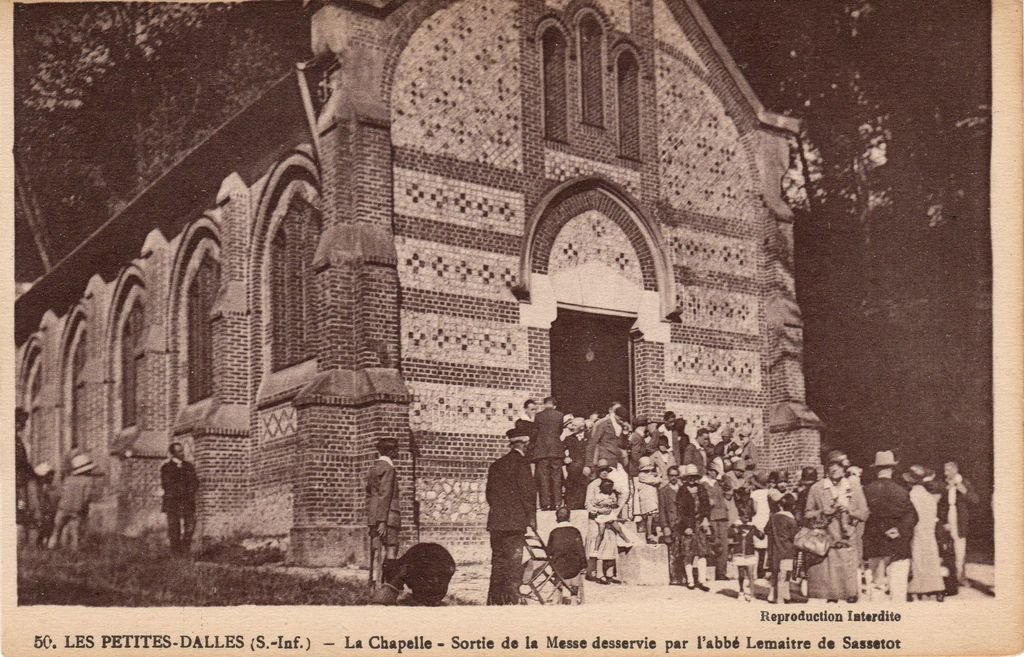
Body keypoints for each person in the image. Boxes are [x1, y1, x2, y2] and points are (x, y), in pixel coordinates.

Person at [804, 458, 868, 602]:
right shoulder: (817, 488)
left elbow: (864, 513)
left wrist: (849, 510)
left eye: (838, 466)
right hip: (827, 546)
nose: (834, 469)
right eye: (831, 465)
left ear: (844, 468)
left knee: (849, 593)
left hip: (848, 544)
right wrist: (824, 512)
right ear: (826, 469)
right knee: (832, 594)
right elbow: (807, 514)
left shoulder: (853, 488)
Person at [486, 427, 537, 605]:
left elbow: (489, 495)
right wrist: (531, 519)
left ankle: (495, 600)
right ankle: (511, 599)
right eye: (529, 444)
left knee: (498, 562)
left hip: (496, 523)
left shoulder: (496, 465)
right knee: (513, 563)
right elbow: (528, 494)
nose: (531, 448)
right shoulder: (522, 464)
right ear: (523, 444)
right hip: (515, 523)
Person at [863, 450, 916, 603]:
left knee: (876, 586)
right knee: (898, 588)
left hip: (875, 544)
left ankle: (879, 622)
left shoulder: (866, 490)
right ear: (892, 470)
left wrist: (881, 531)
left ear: (876, 470)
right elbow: (912, 516)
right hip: (898, 545)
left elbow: (865, 516)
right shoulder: (902, 491)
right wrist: (898, 530)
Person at [903, 465, 945, 600]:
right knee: (931, 558)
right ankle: (936, 587)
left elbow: (910, 517)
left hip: (917, 531)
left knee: (918, 559)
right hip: (929, 531)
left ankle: (918, 587)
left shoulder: (911, 496)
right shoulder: (929, 496)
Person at [371, 543, 457, 606]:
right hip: (444, 567)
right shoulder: (412, 559)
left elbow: (397, 580)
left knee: (420, 591)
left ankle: (429, 600)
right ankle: (431, 600)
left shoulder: (407, 566)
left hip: (440, 569)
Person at [584, 459, 626, 584]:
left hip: (609, 518)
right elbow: (587, 503)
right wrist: (598, 511)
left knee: (611, 544)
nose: (604, 473)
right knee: (599, 545)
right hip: (596, 520)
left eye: (606, 471)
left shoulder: (612, 484)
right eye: (601, 471)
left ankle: (609, 573)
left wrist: (616, 510)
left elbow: (623, 494)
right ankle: (597, 573)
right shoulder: (593, 485)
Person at [366, 437, 401, 587]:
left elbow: (370, 493)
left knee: (375, 549)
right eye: (396, 449)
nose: (398, 452)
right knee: (391, 547)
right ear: (391, 451)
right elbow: (385, 494)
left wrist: (375, 518)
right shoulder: (389, 469)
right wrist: (382, 521)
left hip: (373, 515)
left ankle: (373, 584)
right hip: (388, 516)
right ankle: (387, 585)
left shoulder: (373, 468)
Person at [49, 453, 100, 551]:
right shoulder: (88, 481)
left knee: (57, 530)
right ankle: (74, 551)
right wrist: (84, 506)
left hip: (63, 508)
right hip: (77, 509)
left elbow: (61, 493)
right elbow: (87, 497)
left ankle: (51, 548)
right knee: (75, 532)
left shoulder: (68, 479)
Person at [938, 460, 978, 584]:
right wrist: (944, 521)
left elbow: (975, 500)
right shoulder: (945, 484)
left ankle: (961, 576)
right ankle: (951, 578)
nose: (945, 473)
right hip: (948, 519)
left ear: (955, 470)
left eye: (948, 470)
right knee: (948, 549)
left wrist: (961, 488)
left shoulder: (964, 483)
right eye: (945, 470)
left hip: (960, 521)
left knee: (960, 549)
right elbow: (941, 505)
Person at [161, 442, 199, 556]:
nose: (183, 453)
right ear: (173, 454)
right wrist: (182, 490)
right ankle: (176, 553)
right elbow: (167, 485)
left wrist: (189, 491)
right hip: (173, 502)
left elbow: (195, 482)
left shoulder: (189, 466)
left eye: (182, 450)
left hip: (187, 501)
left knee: (190, 525)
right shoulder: (166, 468)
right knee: (174, 528)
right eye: (179, 451)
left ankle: (185, 549)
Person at [676, 464, 711, 591]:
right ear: (686, 478)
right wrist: (685, 526)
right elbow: (680, 511)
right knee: (688, 553)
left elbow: (706, 505)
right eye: (689, 477)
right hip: (688, 525)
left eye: (694, 477)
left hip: (700, 524)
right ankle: (690, 580)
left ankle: (702, 580)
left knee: (702, 553)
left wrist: (706, 518)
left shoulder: (701, 489)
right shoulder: (682, 491)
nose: (692, 480)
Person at [547, 506, 587, 603]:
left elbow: (549, 551)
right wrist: (584, 565)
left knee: (560, 563)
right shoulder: (575, 531)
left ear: (557, 519)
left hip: (558, 568)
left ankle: (557, 598)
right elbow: (580, 550)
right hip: (574, 567)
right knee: (575, 565)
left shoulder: (554, 532)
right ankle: (574, 597)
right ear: (569, 518)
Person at [533, 397, 566, 510]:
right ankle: (557, 503)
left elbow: (536, 432)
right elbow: (560, 431)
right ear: (554, 405)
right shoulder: (560, 415)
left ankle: (545, 504)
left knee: (543, 477)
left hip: (542, 451)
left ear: (544, 404)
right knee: (556, 477)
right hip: (556, 450)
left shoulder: (538, 416)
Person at [768, 494, 799, 603]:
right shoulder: (792, 520)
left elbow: (767, 530)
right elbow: (794, 536)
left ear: (780, 506)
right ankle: (783, 597)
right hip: (787, 551)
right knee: (785, 575)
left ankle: (772, 595)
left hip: (774, 550)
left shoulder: (773, 518)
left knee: (775, 573)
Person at [703, 461, 731, 580]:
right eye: (713, 471)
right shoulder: (703, 484)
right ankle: (708, 571)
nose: (714, 474)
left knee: (724, 544)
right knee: (715, 542)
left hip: (722, 516)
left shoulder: (719, 483)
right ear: (708, 471)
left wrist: (724, 478)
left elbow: (729, 489)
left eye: (716, 472)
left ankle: (721, 572)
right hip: (711, 516)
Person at [658, 465, 684, 585]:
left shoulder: (683, 489)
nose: (673, 478)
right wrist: (665, 527)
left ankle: (684, 576)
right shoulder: (663, 491)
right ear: (668, 476)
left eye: (675, 475)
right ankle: (674, 577)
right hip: (671, 524)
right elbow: (662, 511)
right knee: (673, 552)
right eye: (671, 475)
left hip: (682, 524)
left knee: (684, 550)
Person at [729, 507, 762, 601]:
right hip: (739, 553)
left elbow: (761, 536)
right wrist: (736, 530)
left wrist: (760, 532)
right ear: (740, 516)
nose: (746, 517)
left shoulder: (752, 526)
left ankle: (752, 594)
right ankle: (741, 591)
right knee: (741, 574)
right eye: (744, 515)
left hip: (750, 553)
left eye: (748, 515)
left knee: (751, 574)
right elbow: (729, 534)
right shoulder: (735, 525)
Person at [585, 403, 628, 470]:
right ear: (615, 415)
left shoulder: (622, 426)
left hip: (617, 458)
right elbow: (592, 443)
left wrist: (625, 435)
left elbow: (622, 444)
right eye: (620, 418)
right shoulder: (604, 424)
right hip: (604, 458)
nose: (621, 421)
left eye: (623, 419)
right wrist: (588, 464)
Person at [15, 408, 34, 547]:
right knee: (20, 507)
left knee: (21, 507)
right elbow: (20, 462)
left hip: (19, 481)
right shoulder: (12, 440)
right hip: (16, 482)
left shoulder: (17, 440)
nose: (23, 426)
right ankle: (18, 542)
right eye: (22, 422)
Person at [28, 462, 59, 549]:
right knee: (38, 530)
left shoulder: (46, 487)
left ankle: (42, 545)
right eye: (49, 475)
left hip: (44, 512)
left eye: (52, 475)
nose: (51, 478)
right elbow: (35, 501)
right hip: (37, 512)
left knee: (47, 528)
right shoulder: (34, 486)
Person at [561, 417, 588, 510]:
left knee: (585, 491)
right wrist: (565, 458)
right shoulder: (568, 439)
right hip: (573, 470)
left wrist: (588, 466)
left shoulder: (590, 437)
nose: (571, 427)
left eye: (574, 425)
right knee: (571, 490)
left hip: (587, 470)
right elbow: (560, 450)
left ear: (581, 427)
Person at [635, 456, 662, 543]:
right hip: (647, 499)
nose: (649, 471)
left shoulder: (648, 474)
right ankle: (649, 534)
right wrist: (659, 476)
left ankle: (653, 533)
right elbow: (655, 481)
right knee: (649, 517)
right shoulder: (642, 475)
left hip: (652, 498)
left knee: (653, 516)